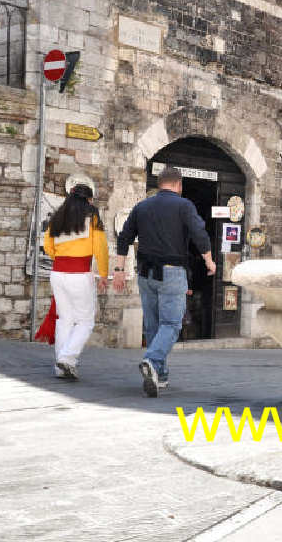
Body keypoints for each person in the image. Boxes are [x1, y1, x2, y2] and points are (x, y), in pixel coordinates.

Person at [112, 167, 216, 396]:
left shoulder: (142, 206)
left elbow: (124, 237)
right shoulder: (184, 205)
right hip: (171, 272)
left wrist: (119, 269)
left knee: (153, 325)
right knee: (171, 324)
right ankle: (151, 360)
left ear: (160, 184)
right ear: (178, 185)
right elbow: (200, 234)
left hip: (146, 274)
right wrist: (209, 261)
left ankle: (160, 374)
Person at [38, 183, 109, 379]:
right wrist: (103, 273)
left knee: (65, 320)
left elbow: (48, 246)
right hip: (79, 273)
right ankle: (67, 359)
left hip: (57, 273)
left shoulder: (57, 218)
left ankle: (61, 366)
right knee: (85, 321)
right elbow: (101, 248)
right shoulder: (92, 217)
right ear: (89, 200)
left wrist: (62, 256)